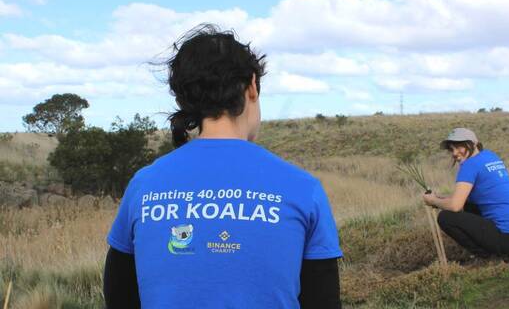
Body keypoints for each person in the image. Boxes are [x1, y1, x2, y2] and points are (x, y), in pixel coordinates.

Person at [103, 24, 343, 309]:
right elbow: (323, 301)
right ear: (252, 86)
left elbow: (119, 294)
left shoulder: (144, 185)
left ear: (185, 98)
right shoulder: (304, 189)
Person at [422, 128, 509, 258]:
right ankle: (492, 249)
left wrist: (432, 201)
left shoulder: (469, 165)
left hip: (508, 238)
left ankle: (485, 256)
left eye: (459, 147)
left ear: (473, 144)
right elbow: (467, 197)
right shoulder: (490, 156)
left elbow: (455, 206)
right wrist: (439, 199)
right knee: (469, 203)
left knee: (445, 217)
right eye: (451, 149)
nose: (454, 153)